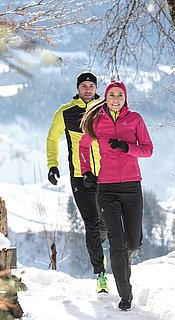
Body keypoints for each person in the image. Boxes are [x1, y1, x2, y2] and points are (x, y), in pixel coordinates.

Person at [79, 81, 153, 311]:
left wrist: (126, 147)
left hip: (132, 186)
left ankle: (126, 258)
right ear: (106, 97)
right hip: (107, 188)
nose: (116, 98)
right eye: (112, 94)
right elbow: (83, 148)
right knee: (116, 242)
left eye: (120, 95)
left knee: (132, 241)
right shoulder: (96, 120)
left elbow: (148, 149)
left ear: (125, 98)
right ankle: (125, 293)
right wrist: (87, 173)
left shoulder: (135, 119)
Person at [46, 72, 108, 292]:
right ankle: (100, 275)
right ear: (78, 88)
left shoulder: (106, 109)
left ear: (96, 88)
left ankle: (102, 240)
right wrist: (53, 165)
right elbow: (52, 139)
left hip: (107, 176)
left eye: (91, 86)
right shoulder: (66, 112)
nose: (88, 89)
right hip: (81, 178)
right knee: (91, 224)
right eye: (84, 86)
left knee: (106, 225)